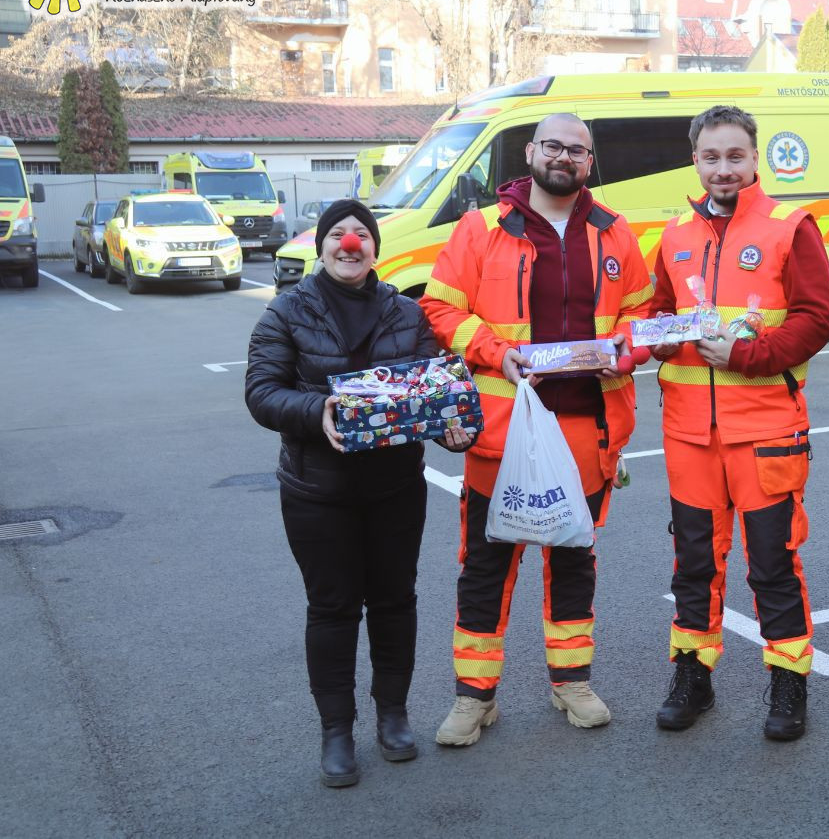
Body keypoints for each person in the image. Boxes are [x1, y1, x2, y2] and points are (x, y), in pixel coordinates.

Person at [420, 113, 652, 747]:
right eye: (554, 145)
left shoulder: (615, 233)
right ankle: (475, 698)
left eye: (578, 150)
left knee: (573, 560)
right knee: (486, 567)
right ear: (530, 152)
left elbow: (640, 311)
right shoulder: (480, 229)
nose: (565, 157)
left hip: (589, 427)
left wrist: (625, 348)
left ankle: (570, 682)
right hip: (501, 433)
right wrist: (496, 353)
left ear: (589, 162)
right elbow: (440, 308)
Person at [245, 199, 473, 788]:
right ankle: (336, 731)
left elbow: (430, 388)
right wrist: (316, 408)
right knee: (332, 607)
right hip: (317, 491)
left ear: (376, 248)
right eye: (338, 234)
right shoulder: (287, 311)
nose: (351, 243)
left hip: (396, 487)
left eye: (361, 235)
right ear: (322, 246)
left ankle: (392, 715)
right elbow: (262, 392)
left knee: (395, 600)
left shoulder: (405, 312)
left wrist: (452, 426)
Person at [649, 105, 829, 741]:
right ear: (695, 160)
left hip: (765, 431)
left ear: (756, 159)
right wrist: (650, 338)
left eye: (735, 156)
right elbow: (654, 314)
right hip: (688, 433)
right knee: (694, 563)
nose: (722, 169)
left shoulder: (790, 226)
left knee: (771, 564)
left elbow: (816, 319)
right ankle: (693, 675)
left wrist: (750, 356)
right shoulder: (673, 234)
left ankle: (788, 683)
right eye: (710, 157)